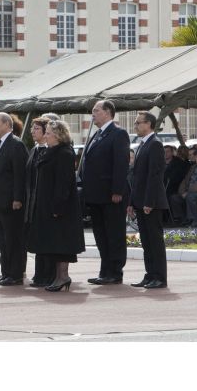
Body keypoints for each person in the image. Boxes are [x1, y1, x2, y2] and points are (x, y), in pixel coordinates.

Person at [28, 120, 85, 291]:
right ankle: (59, 277)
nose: (45, 136)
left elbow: (64, 184)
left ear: (58, 135)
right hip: (47, 206)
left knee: (61, 243)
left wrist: (57, 207)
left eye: (48, 133)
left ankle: (63, 277)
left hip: (60, 208)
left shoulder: (64, 153)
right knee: (53, 243)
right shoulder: (50, 151)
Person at [79, 100, 130, 285]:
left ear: (108, 112)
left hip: (111, 196)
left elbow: (121, 164)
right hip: (95, 195)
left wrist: (117, 190)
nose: (93, 114)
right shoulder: (96, 135)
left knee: (114, 234)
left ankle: (115, 272)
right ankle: (104, 270)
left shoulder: (118, 134)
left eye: (96, 110)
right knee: (101, 235)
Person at [127, 112, 169, 289]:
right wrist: (131, 202)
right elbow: (136, 178)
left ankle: (159, 277)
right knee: (146, 241)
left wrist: (149, 202)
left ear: (149, 124)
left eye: (138, 123)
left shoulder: (155, 145)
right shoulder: (143, 145)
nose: (135, 126)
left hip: (151, 203)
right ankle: (150, 274)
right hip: (140, 201)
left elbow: (154, 176)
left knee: (155, 241)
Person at [0, 112, 28, 286]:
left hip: (11, 202)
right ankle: (6, 272)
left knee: (13, 239)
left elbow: (20, 175)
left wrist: (18, 198)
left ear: (7, 124)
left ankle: (16, 273)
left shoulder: (15, 145)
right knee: (3, 240)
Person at [24, 117, 52, 287]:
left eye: (36, 129)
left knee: (46, 239)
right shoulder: (34, 150)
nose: (32, 132)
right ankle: (39, 274)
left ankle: (48, 274)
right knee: (36, 239)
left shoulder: (49, 151)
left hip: (45, 202)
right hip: (33, 202)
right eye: (32, 128)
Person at [169, 145, 197, 227]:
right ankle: (183, 219)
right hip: (189, 192)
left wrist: (187, 192)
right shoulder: (193, 167)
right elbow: (185, 180)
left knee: (190, 197)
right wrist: (182, 192)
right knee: (174, 198)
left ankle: (194, 220)